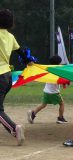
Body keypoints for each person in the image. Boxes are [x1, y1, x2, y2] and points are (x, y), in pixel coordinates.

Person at [0, 9, 34, 146]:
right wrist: (28, 61)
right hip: (7, 76)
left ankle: (15, 129)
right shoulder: (10, 36)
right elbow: (21, 51)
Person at [27, 55, 67, 124]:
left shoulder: (49, 69)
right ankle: (60, 118)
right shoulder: (57, 70)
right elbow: (60, 79)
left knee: (43, 104)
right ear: (58, 63)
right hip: (54, 92)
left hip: (46, 91)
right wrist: (65, 82)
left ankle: (33, 114)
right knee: (62, 104)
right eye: (60, 62)